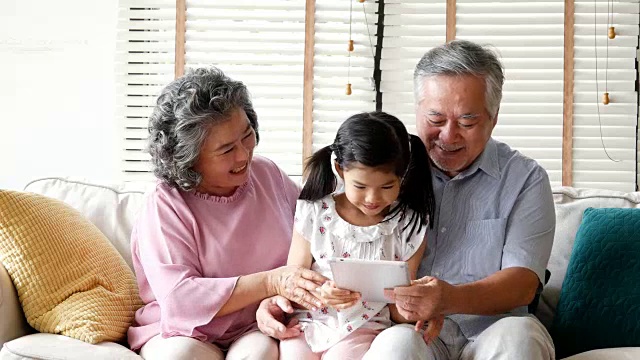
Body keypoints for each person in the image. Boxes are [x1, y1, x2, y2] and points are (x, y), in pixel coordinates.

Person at [258, 40, 556, 359]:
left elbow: (523, 282)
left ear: (493, 117)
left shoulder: (525, 179)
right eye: (436, 119)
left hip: (493, 330)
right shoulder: (386, 171)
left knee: (521, 336)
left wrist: (448, 298)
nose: (449, 136)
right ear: (417, 110)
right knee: (394, 346)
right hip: (409, 330)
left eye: (467, 122)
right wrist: (279, 298)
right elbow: (319, 255)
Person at [127, 67, 327, 360]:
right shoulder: (165, 204)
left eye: (247, 136)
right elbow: (180, 300)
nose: (244, 155)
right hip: (183, 330)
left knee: (258, 355)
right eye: (226, 149)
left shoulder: (267, 174)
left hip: (258, 324)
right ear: (190, 159)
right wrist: (272, 281)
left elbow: (319, 234)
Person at [279, 112, 443, 360]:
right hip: (308, 321)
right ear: (340, 170)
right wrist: (322, 294)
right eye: (360, 186)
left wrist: (418, 309)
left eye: (387, 187)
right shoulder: (314, 210)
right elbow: (293, 279)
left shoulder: (408, 223)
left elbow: (397, 306)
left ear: (403, 174)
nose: (373, 199)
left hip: (362, 327)